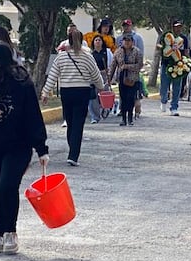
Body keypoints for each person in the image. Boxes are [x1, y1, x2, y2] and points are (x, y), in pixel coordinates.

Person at [0, 40, 49, 254]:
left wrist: (41, 148)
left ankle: (11, 232)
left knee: (7, 186)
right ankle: (0, 233)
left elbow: (33, 115)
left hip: (18, 146)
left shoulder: (22, 83)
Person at [41, 29, 104, 166]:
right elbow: (96, 75)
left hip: (66, 92)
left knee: (69, 121)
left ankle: (72, 147)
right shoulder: (87, 56)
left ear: (68, 41)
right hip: (82, 92)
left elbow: (52, 76)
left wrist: (45, 92)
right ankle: (73, 155)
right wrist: (101, 86)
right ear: (82, 41)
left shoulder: (61, 57)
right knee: (78, 123)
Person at [107, 33, 143, 126]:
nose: (127, 43)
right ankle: (123, 118)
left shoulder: (137, 52)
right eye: (125, 41)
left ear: (132, 42)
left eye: (129, 41)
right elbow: (113, 66)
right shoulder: (118, 52)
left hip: (133, 79)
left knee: (130, 98)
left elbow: (139, 65)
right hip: (122, 78)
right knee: (123, 98)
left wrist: (128, 66)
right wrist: (109, 78)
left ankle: (130, 118)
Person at [158, 21, 187, 115]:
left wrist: (186, 63)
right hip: (166, 64)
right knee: (164, 86)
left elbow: (186, 51)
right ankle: (163, 100)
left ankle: (174, 107)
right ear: (173, 27)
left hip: (178, 66)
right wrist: (164, 48)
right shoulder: (166, 36)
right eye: (176, 27)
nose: (178, 29)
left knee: (177, 87)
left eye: (180, 27)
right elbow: (158, 47)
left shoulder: (183, 39)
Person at [88, 34, 112, 124]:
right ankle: (95, 116)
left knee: (104, 96)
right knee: (93, 97)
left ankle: (106, 110)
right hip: (93, 76)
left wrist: (110, 77)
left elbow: (111, 64)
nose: (97, 42)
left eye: (99, 40)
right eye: (96, 40)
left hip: (104, 75)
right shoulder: (90, 54)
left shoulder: (107, 52)